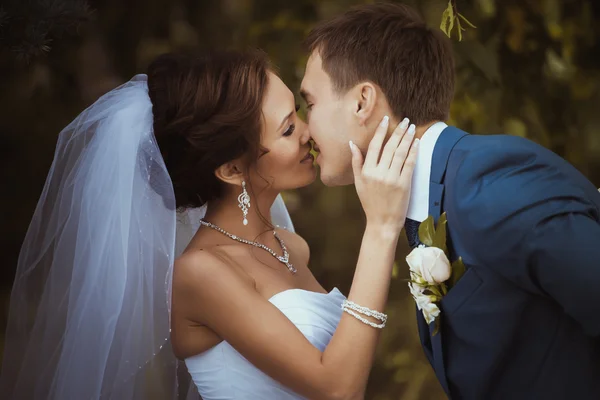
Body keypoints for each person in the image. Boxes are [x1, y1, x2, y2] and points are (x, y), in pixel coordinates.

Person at [0, 49, 418, 400]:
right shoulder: (201, 273)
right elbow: (336, 387)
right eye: (289, 128)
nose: (309, 132)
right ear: (232, 169)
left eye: (299, 112)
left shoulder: (291, 246)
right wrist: (381, 228)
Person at [300, 3, 600, 399]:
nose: (305, 128)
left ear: (361, 102)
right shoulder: (425, 201)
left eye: (310, 103)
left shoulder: (488, 183)